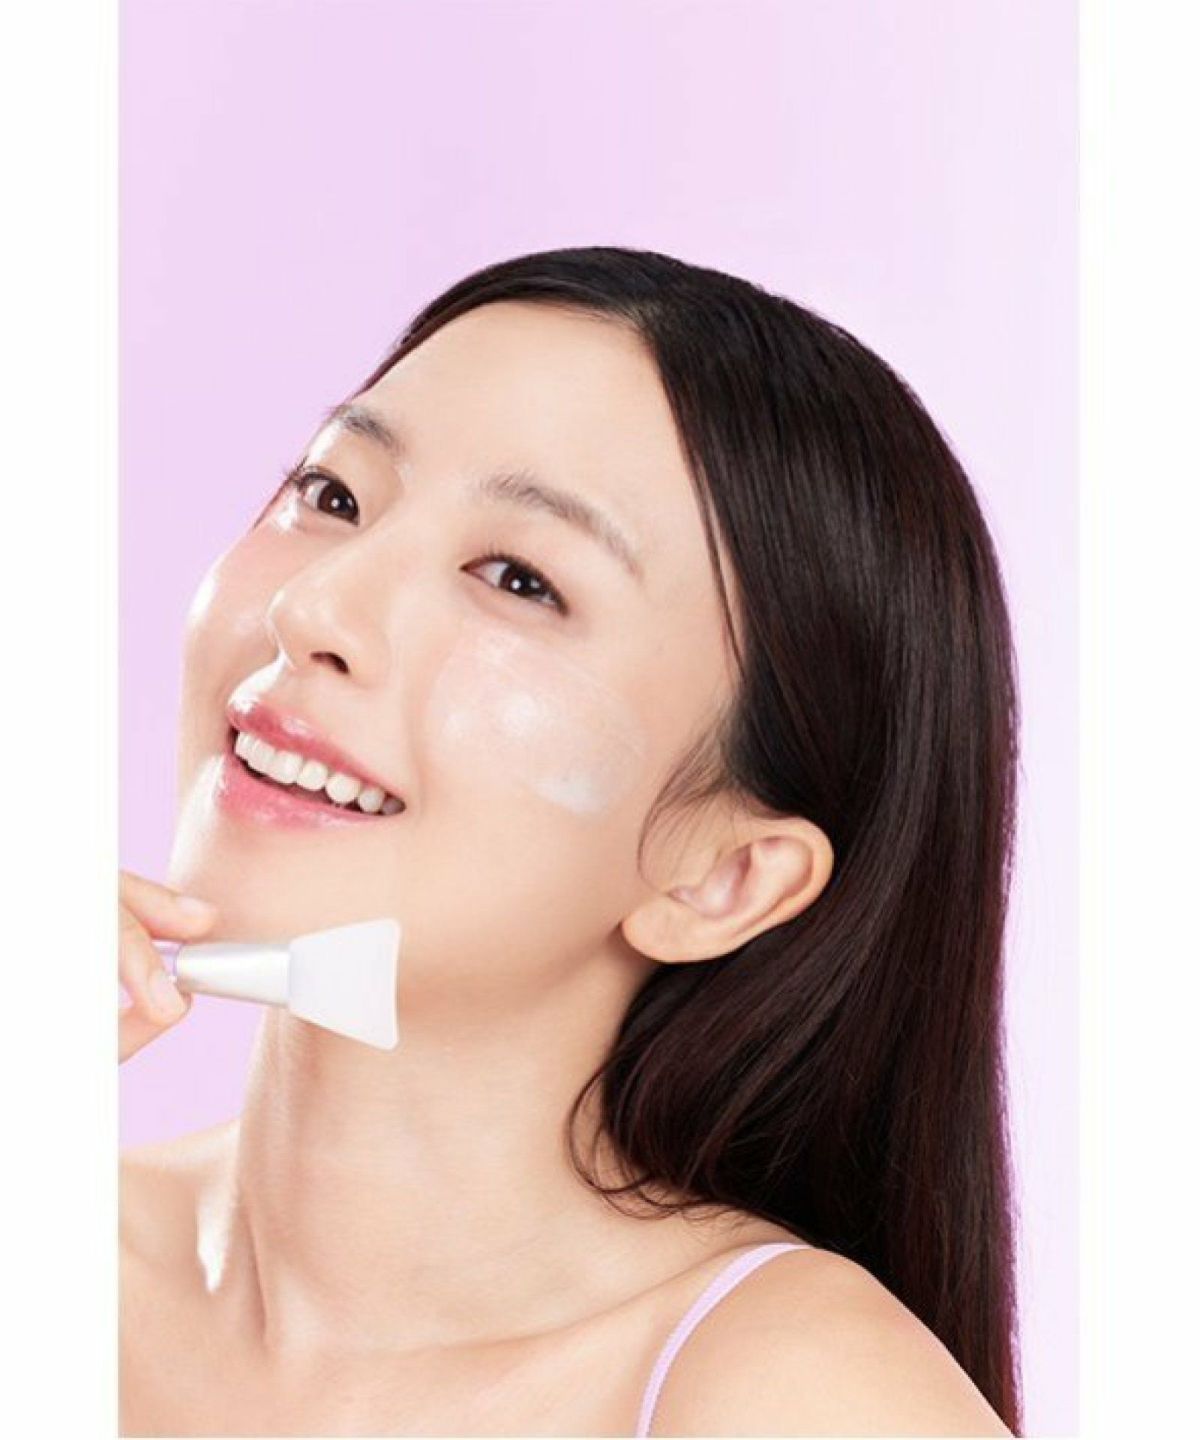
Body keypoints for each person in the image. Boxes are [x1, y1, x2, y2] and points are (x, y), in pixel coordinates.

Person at [119, 246, 1019, 1436]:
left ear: (723, 877)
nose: (312, 606)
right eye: (333, 496)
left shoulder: (796, 1396)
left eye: (518, 579)